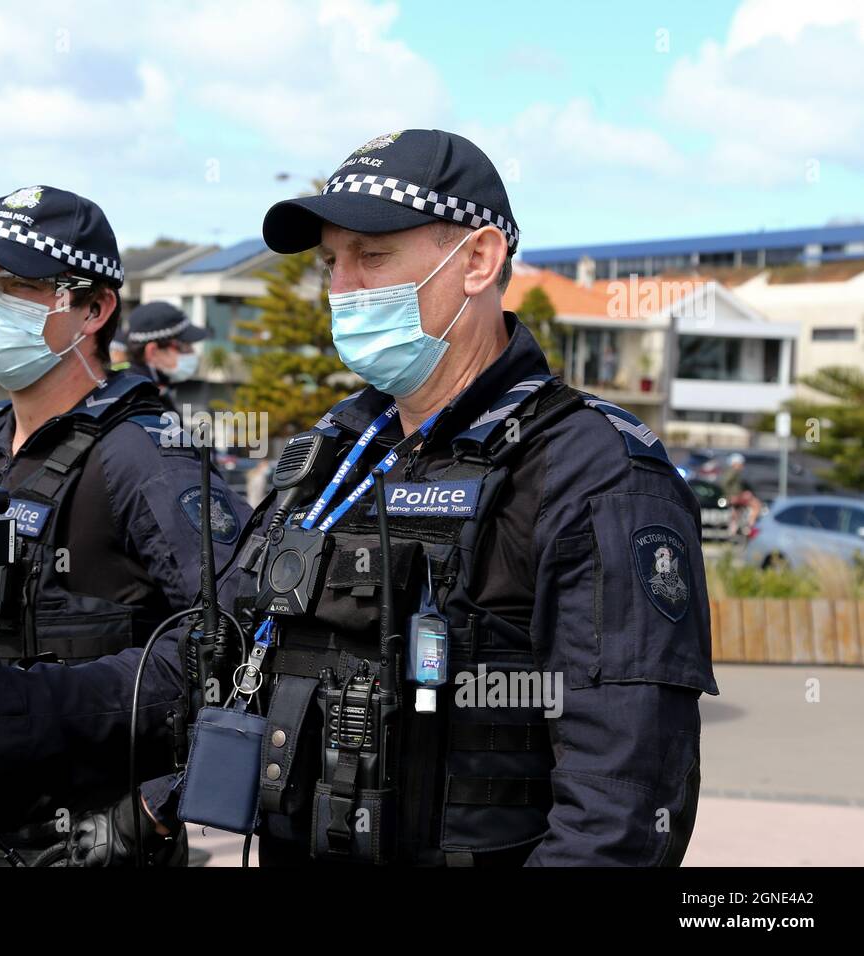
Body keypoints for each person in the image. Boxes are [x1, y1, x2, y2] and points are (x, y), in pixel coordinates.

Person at [143, 129, 719, 866]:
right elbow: (214, 646)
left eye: (371, 255)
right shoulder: (333, 455)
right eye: (331, 262)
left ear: (478, 260)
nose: (341, 285)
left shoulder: (591, 467)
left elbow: (622, 806)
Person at [0, 184, 251, 866]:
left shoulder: (147, 456)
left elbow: (231, 640)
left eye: (17, 286)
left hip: (82, 844)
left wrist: (152, 809)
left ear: (92, 309)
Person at [123, 301, 207, 412]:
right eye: (184, 347)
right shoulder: (137, 400)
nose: (192, 353)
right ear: (152, 352)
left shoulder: (155, 388)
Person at [720, 452, 761, 537]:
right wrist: (732, 495)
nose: (742, 466)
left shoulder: (733, 472)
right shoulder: (733, 471)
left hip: (735, 497)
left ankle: (732, 532)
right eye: (741, 463)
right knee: (756, 505)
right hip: (735, 497)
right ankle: (749, 527)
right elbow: (724, 483)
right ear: (735, 463)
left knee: (736, 514)